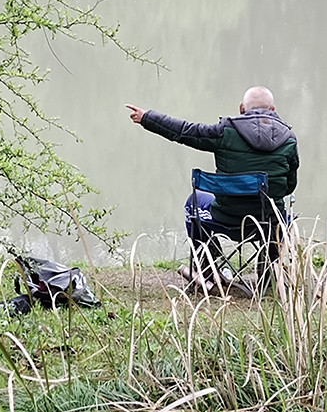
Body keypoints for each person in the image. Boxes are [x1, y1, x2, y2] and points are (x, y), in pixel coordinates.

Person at [125, 86, 299, 289]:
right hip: (267, 223)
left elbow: (184, 131)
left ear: (242, 109)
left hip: (224, 219)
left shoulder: (225, 132)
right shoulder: (289, 139)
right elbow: (289, 186)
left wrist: (148, 118)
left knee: (194, 202)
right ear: (273, 109)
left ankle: (206, 268)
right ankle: (268, 271)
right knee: (280, 214)